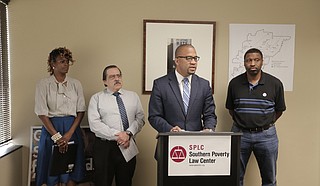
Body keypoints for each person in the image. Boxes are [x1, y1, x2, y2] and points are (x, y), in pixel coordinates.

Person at [226, 48, 286, 186]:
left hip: (266, 136)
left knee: (269, 179)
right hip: (240, 134)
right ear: (244, 63)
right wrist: (244, 123)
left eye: (256, 60)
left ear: (262, 62)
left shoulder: (275, 83)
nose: (252, 63)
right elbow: (231, 109)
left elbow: (279, 110)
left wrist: (264, 123)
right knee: (235, 177)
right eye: (249, 60)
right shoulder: (235, 83)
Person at [35, 47, 86, 186]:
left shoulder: (76, 84)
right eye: (62, 61)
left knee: (71, 169)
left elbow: (81, 110)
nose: (66, 64)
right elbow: (41, 112)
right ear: (53, 64)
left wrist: (69, 134)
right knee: (52, 169)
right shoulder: (43, 84)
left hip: (71, 129)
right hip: (51, 129)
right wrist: (57, 137)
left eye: (67, 61)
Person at [88, 65, 145, 186]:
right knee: (102, 182)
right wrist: (119, 135)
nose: (117, 79)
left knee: (125, 182)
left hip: (128, 145)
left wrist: (128, 134)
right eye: (112, 76)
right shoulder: (96, 98)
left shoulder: (133, 96)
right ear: (105, 81)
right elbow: (94, 124)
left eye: (119, 75)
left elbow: (140, 119)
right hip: (105, 147)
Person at [148, 44, 217, 134]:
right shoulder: (160, 84)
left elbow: (210, 115)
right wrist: (170, 129)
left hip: (197, 143)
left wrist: (208, 128)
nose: (193, 62)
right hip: (170, 141)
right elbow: (154, 116)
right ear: (177, 61)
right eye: (189, 58)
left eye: (195, 58)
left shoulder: (204, 85)